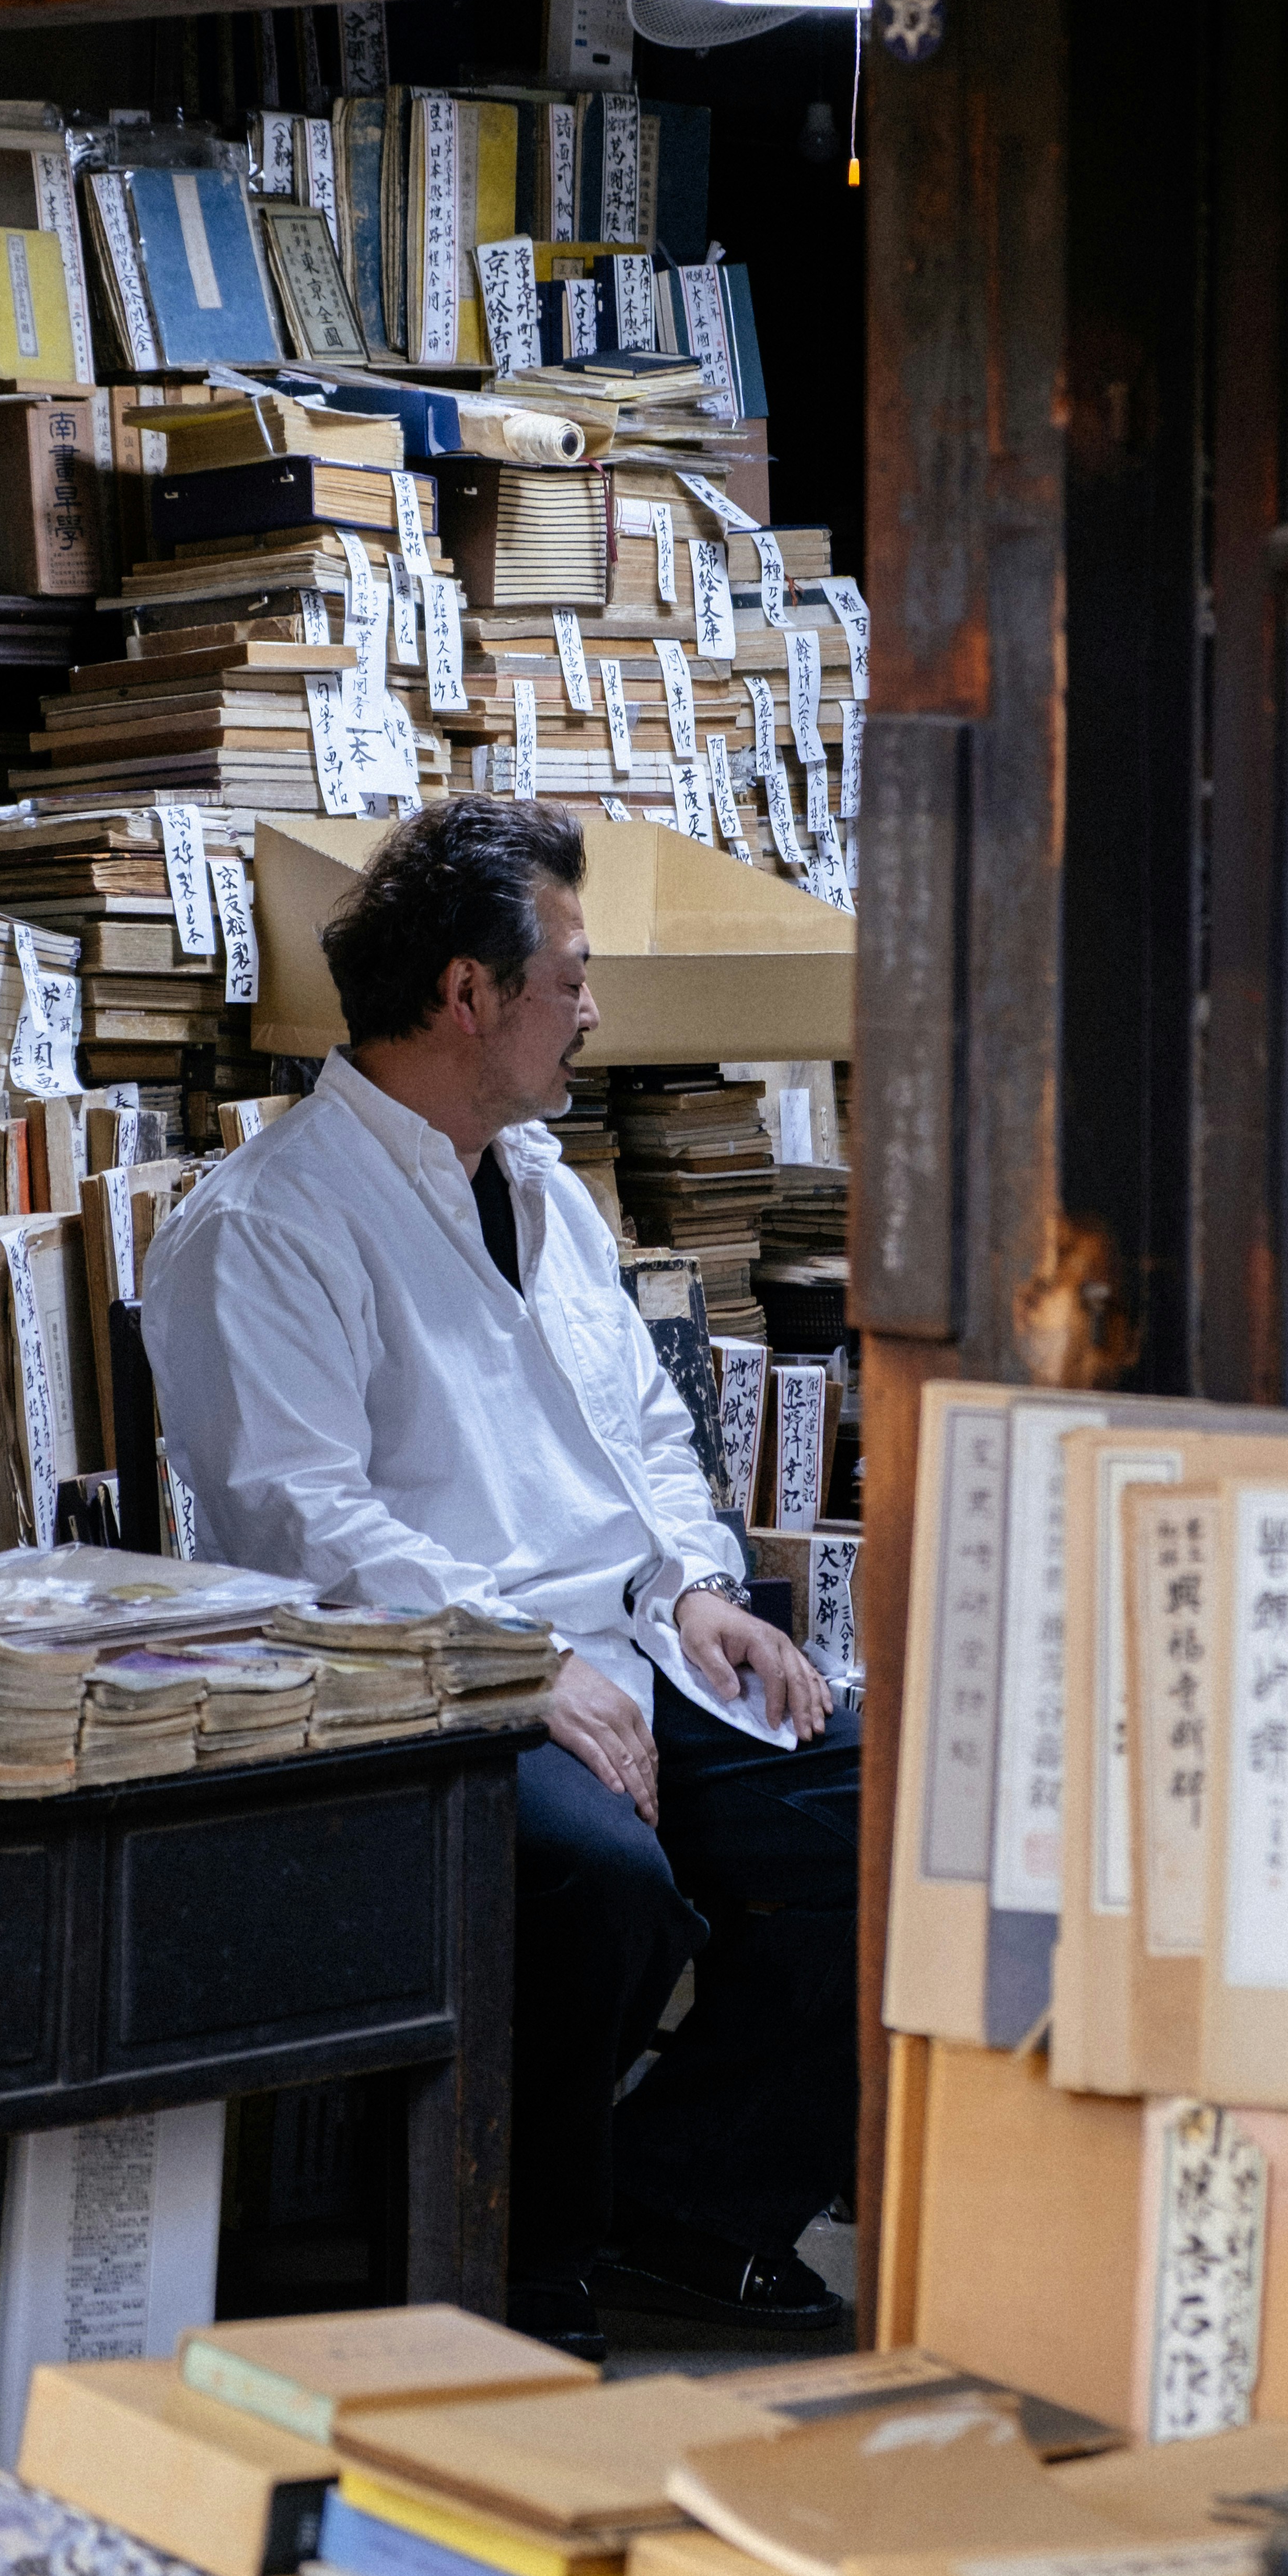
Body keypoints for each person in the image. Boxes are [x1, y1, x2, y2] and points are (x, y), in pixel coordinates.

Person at [143, 799, 859, 2356]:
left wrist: (693, 1591)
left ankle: (688, 2204)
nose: (592, 1010)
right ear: (469, 993)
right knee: (590, 1877)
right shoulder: (261, 1223)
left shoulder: (543, 1181)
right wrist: (520, 1663)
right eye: (573, 975)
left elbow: (645, 1430)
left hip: (627, 1642)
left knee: (883, 1822)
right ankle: (515, 2278)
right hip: (419, 1680)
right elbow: (295, 1520)